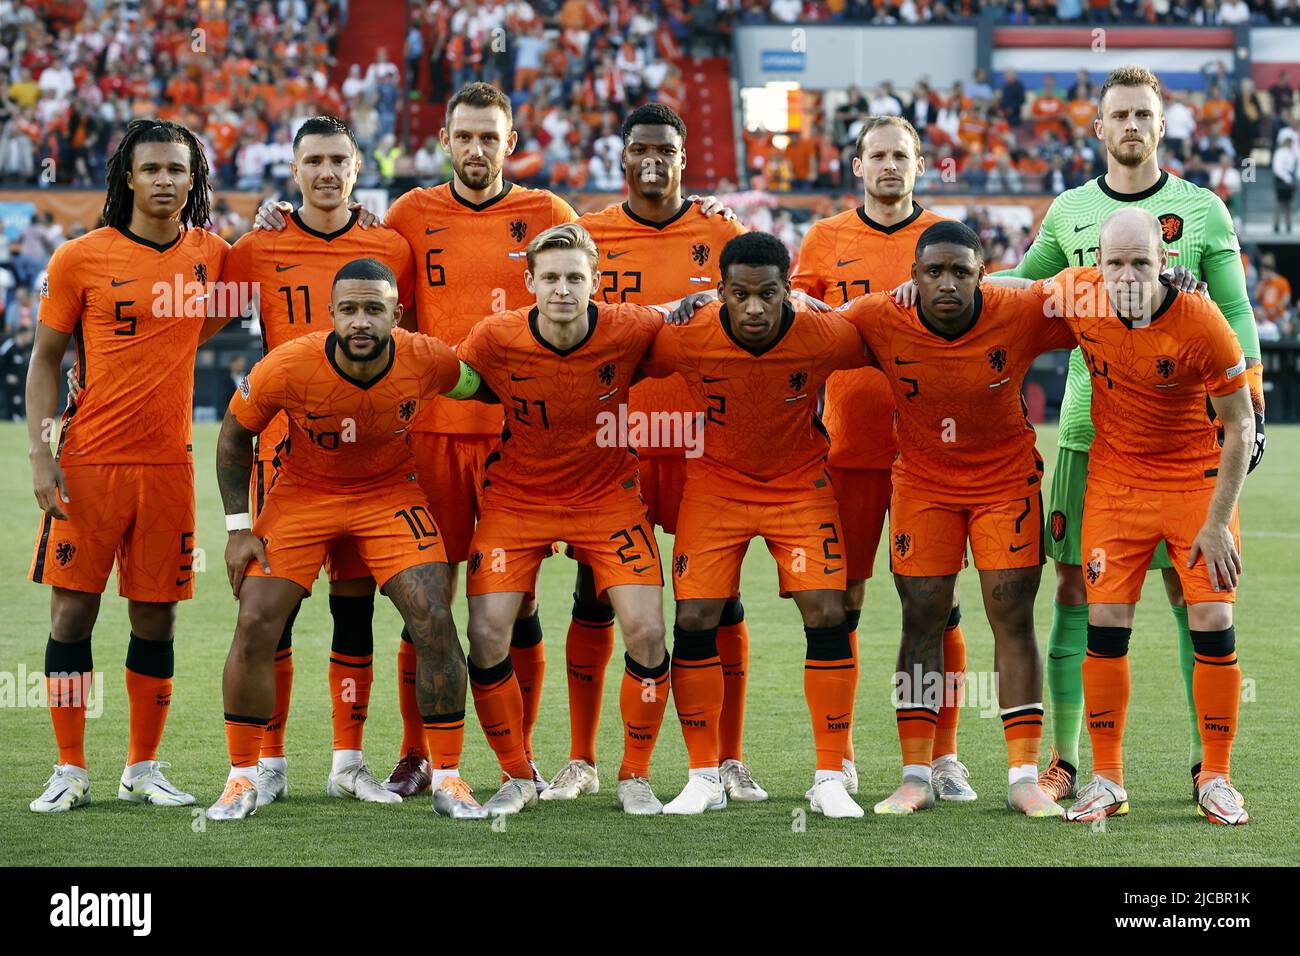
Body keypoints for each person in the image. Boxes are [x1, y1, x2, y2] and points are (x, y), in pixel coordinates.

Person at [991, 65, 1264, 804]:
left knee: (1194, 594)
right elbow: (1022, 291)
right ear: (1100, 127)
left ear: (1162, 125)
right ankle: (1070, 760)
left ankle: (1206, 766)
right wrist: (946, 290)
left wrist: (1252, 409)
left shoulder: (1203, 208)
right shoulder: (1070, 209)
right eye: (1121, 115)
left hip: (1186, 435)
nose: (1133, 125)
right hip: (1091, 435)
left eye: (1146, 113)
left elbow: (1235, 316)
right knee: (1077, 591)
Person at [205, 258, 488, 821]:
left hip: (390, 495)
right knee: (256, 618)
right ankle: (241, 778)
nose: (361, 321)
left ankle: (450, 778)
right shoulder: (286, 365)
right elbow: (234, 436)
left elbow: (486, 383)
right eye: (350, 310)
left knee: (433, 616)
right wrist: (239, 530)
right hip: (303, 494)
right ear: (331, 313)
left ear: (396, 314)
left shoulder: (427, 357)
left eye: (374, 310)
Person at [545, 103, 755, 804]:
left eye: (666, 148)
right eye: (640, 148)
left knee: (716, 601)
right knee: (594, 596)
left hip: (706, 445)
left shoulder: (723, 230)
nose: (653, 159)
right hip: (617, 447)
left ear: (685, 156)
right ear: (622, 156)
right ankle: (581, 758)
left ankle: (727, 759)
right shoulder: (591, 235)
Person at [26, 119, 231, 813]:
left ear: (194, 179)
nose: (167, 181)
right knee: (72, 617)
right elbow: (45, 360)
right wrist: (40, 453)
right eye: (153, 169)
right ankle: (70, 768)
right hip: (87, 464)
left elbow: (220, 312)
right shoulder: (79, 257)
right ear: (129, 179)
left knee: (157, 623)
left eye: (179, 169)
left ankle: (142, 768)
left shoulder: (214, 254)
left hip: (169, 466)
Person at [841, 221, 1076, 818]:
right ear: (913, 276)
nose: (948, 283)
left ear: (983, 273)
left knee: (1011, 616)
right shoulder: (878, 314)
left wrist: (1172, 285)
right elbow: (808, 324)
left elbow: (1090, 297)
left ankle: (1024, 776)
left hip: (1005, 484)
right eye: (934, 272)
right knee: (921, 617)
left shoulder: (1018, 307)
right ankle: (916, 773)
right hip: (922, 485)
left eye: (961, 272)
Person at [1029, 210, 1252, 825]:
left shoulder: (1201, 321)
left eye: (1141, 262)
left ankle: (1216, 776)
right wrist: (925, 290)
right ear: (1095, 263)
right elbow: (1011, 289)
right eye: (1114, 262)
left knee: (1209, 614)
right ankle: (1107, 780)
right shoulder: (1078, 294)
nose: (1126, 275)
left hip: (1194, 482)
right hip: (1116, 483)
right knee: (1105, 620)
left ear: (1166, 261)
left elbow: (1241, 423)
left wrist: (1216, 521)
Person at [456, 223, 686, 816]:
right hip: (516, 497)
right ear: (529, 282)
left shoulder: (628, 327)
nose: (563, 289)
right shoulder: (495, 336)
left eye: (575, 278)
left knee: (649, 633)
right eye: (551, 277)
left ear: (595, 283)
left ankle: (634, 775)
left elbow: (684, 307)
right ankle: (516, 774)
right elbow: (457, 379)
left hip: (607, 496)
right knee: (485, 633)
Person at [220, 116, 418, 807]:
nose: (327, 172)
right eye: (313, 161)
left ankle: (347, 760)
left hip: (368, 459)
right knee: (269, 613)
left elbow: (415, 340)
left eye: (338, 159)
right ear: (294, 169)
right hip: (283, 458)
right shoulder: (258, 245)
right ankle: (267, 762)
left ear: (358, 167)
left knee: (355, 609)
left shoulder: (392, 246)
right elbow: (188, 315)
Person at [642, 232, 869, 819]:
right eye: (739, 294)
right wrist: (674, 305)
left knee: (827, 610)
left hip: (798, 485)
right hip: (715, 486)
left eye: (768, 294)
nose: (753, 308)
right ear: (718, 292)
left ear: (787, 290)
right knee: (694, 615)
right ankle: (702, 775)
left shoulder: (825, 334)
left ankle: (828, 776)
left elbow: (885, 338)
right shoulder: (689, 334)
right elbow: (623, 340)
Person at [791, 115, 974, 801]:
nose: (889, 165)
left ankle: (944, 754)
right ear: (857, 165)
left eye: (901, 154)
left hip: (933, 455)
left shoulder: (945, 241)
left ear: (919, 164)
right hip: (848, 449)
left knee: (936, 605)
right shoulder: (825, 237)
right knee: (839, 604)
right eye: (878, 155)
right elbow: (802, 330)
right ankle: (836, 760)